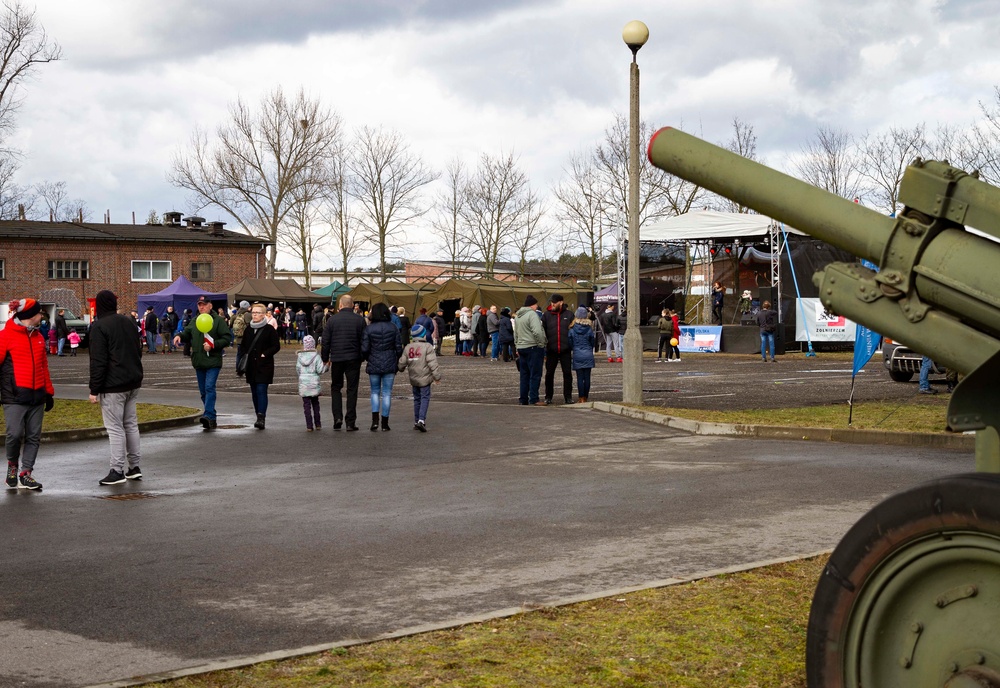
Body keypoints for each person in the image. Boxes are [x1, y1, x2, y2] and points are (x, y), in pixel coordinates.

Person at [88, 290, 144, 486]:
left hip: (113, 385)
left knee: (115, 428)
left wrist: (94, 389)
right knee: (130, 424)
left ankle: (117, 469)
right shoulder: (129, 321)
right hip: (132, 381)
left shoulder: (99, 326)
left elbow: (98, 361)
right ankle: (134, 467)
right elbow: (139, 350)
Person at [1, 298, 54, 490]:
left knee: (33, 436)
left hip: (37, 396)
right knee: (14, 435)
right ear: (30, 316)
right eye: (39, 313)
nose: (41, 316)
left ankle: (26, 473)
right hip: (14, 397)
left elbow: (43, 366)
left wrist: (49, 392)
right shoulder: (5, 336)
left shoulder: (39, 337)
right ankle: (12, 466)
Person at [173, 296, 232, 430]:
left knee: (209, 387)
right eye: (199, 305)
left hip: (213, 360)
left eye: (204, 305)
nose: (201, 307)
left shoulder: (218, 321)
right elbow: (187, 333)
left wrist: (213, 345)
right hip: (199, 360)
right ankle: (211, 417)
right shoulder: (195, 320)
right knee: (203, 391)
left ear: (210, 305)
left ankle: (209, 415)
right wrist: (179, 336)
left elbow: (227, 338)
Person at [321, 294, 367, 431]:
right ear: (353, 305)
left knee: (336, 387)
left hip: (337, 358)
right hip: (353, 358)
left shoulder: (332, 320)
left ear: (340, 305)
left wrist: (325, 358)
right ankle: (350, 421)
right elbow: (364, 341)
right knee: (352, 389)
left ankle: (337, 417)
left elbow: (326, 341)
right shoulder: (360, 320)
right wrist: (362, 356)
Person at [238, 303, 281, 429]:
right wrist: (241, 363)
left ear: (263, 315)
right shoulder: (248, 329)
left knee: (261, 390)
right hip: (251, 366)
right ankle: (258, 414)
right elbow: (243, 347)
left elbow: (276, 346)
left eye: (257, 313)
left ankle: (261, 417)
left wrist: (265, 354)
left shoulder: (269, 329)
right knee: (254, 392)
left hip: (264, 366)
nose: (255, 315)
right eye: (253, 312)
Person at [362, 302, 402, 431]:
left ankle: (374, 421)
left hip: (374, 361)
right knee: (387, 393)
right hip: (390, 361)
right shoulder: (393, 327)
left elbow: (365, 348)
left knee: (374, 392)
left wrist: (369, 358)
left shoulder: (369, 329)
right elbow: (398, 347)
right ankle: (385, 423)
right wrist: (397, 359)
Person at [397, 323, 441, 432]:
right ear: (423, 335)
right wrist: (437, 376)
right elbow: (432, 364)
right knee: (425, 397)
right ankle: (421, 420)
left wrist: (400, 368)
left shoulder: (408, 347)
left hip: (413, 377)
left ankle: (416, 420)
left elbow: (402, 363)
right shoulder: (427, 347)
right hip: (425, 377)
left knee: (416, 399)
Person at [514, 294, 546, 406]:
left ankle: (523, 399)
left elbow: (516, 333)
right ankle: (534, 398)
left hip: (521, 347)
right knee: (535, 374)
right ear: (532, 305)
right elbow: (537, 331)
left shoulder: (518, 315)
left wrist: (517, 345)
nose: (537, 306)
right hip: (533, 347)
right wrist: (541, 344)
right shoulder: (532, 315)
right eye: (536, 304)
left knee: (524, 375)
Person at [542, 293, 574, 404]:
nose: (553, 304)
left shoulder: (569, 314)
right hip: (551, 350)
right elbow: (543, 331)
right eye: (552, 302)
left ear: (561, 302)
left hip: (565, 350)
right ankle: (548, 396)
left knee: (567, 374)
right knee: (549, 374)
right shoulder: (546, 315)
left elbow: (573, 331)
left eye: (555, 302)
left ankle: (568, 397)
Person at [296, 335, 325, 431]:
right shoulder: (316, 357)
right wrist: (327, 366)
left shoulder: (300, 357)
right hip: (313, 383)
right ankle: (318, 424)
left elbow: (298, 370)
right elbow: (320, 370)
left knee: (306, 405)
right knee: (315, 404)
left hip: (304, 383)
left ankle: (309, 425)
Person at [568, 306, 595, 403]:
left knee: (579, 377)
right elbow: (592, 342)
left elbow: (570, 342)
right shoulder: (589, 329)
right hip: (588, 353)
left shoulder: (572, 329)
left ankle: (581, 397)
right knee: (587, 377)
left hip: (577, 353)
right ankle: (586, 396)